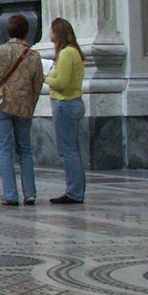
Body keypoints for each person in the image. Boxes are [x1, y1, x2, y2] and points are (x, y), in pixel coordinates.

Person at [0, 13, 44, 205]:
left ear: (8, 31)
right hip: (24, 105)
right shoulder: (33, 55)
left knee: (5, 149)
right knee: (25, 149)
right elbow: (38, 83)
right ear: (27, 31)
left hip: (2, 103)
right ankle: (30, 193)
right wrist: (31, 102)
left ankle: (10, 194)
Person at [46, 16, 86, 204]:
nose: (49, 33)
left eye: (52, 30)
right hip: (71, 102)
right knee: (72, 149)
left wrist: (43, 78)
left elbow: (61, 83)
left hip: (66, 103)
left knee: (69, 150)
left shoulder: (66, 53)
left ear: (58, 32)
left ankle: (74, 192)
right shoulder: (71, 52)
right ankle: (75, 190)